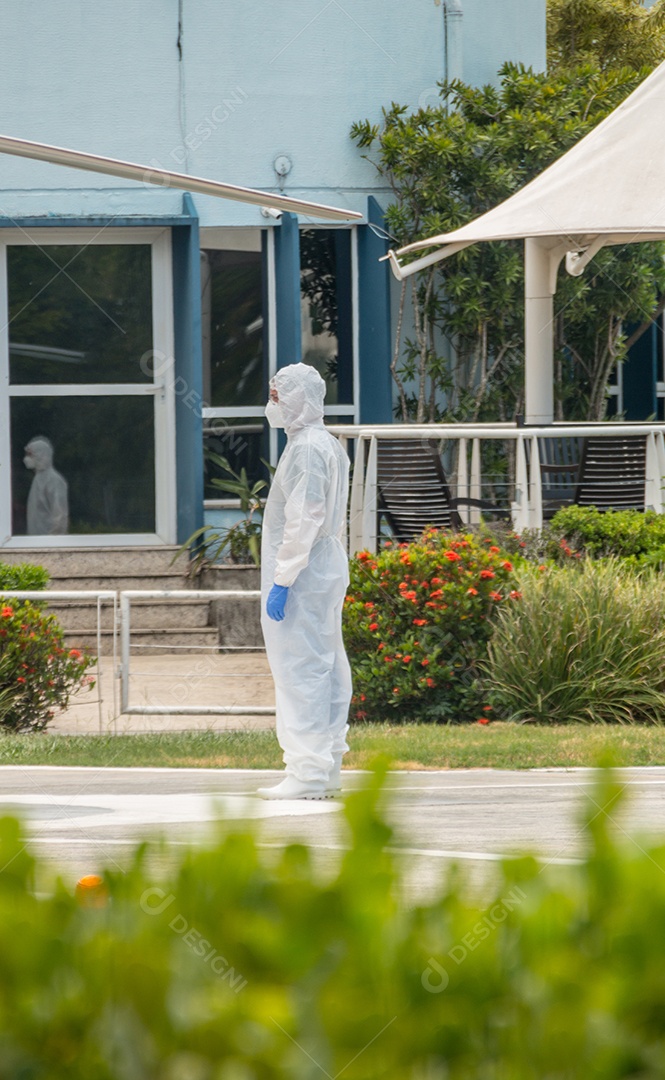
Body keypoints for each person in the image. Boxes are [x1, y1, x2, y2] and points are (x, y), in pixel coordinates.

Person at [257, 362, 353, 800]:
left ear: (296, 398)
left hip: (306, 570)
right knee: (326, 661)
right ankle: (326, 763)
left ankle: (308, 771)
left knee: (303, 667)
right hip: (323, 565)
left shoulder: (309, 449)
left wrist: (284, 577)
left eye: (277, 396)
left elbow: (304, 517)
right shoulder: (321, 444)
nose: (272, 404)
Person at [23, 436, 69, 535]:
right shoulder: (38, 479)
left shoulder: (54, 481)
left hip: (48, 543)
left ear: (41, 455)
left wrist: (52, 542)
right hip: (36, 542)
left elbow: (60, 516)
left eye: (30, 455)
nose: (27, 459)